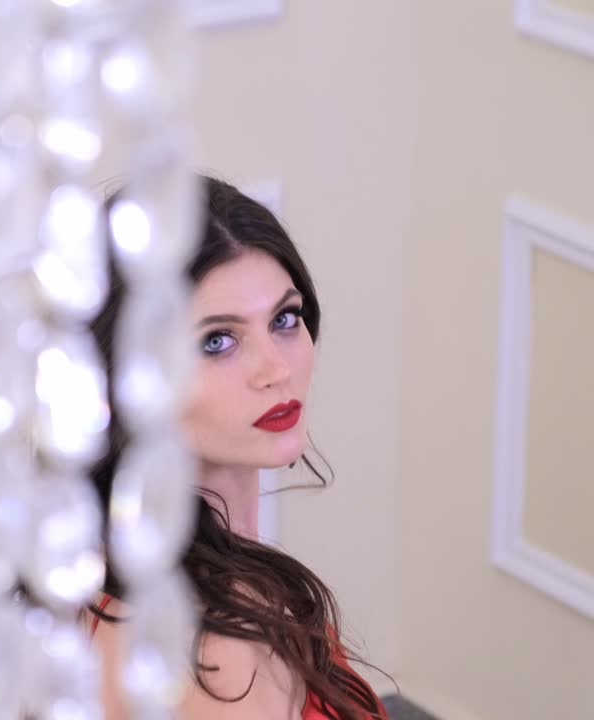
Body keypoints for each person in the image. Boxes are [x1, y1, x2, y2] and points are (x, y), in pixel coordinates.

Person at [84, 175, 389, 720]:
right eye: (217, 341)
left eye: (285, 319)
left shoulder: (97, 559)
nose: (275, 369)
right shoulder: (226, 648)